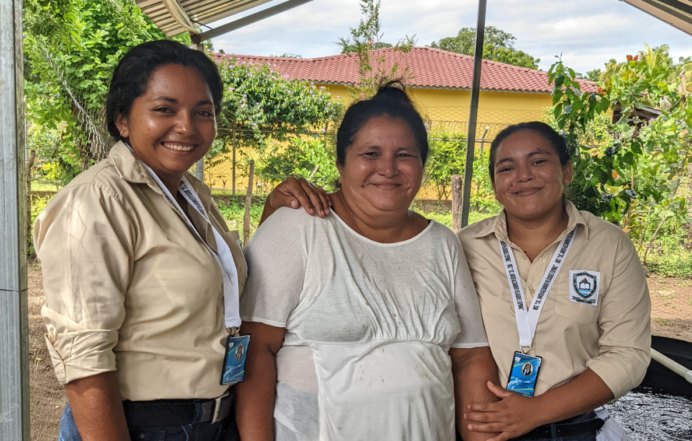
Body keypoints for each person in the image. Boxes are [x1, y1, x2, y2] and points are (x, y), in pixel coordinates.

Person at [35, 40, 329, 441]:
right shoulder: (97, 202)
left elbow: (212, 285)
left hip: (211, 419)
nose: (187, 127)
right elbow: (84, 364)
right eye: (164, 110)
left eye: (203, 112)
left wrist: (273, 217)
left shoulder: (190, 192)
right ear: (122, 119)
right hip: (141, 426)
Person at [235, 82, 500, 441]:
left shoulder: (442, 243)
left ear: (422, 164)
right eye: (370, 154)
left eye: (405, 155)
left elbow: (470, 358)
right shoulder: (299, 227)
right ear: (341, 162)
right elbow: (255, 350)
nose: (388, 169)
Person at [458, 122, 651, 441]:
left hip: (572, 430)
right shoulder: (464, 247)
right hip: (483, 430)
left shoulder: (609, 245)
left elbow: (627, 354)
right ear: (495, 185)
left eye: (538, 161)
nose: (523, 175)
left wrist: (536, 410)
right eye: (507, 167)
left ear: (567, 171)